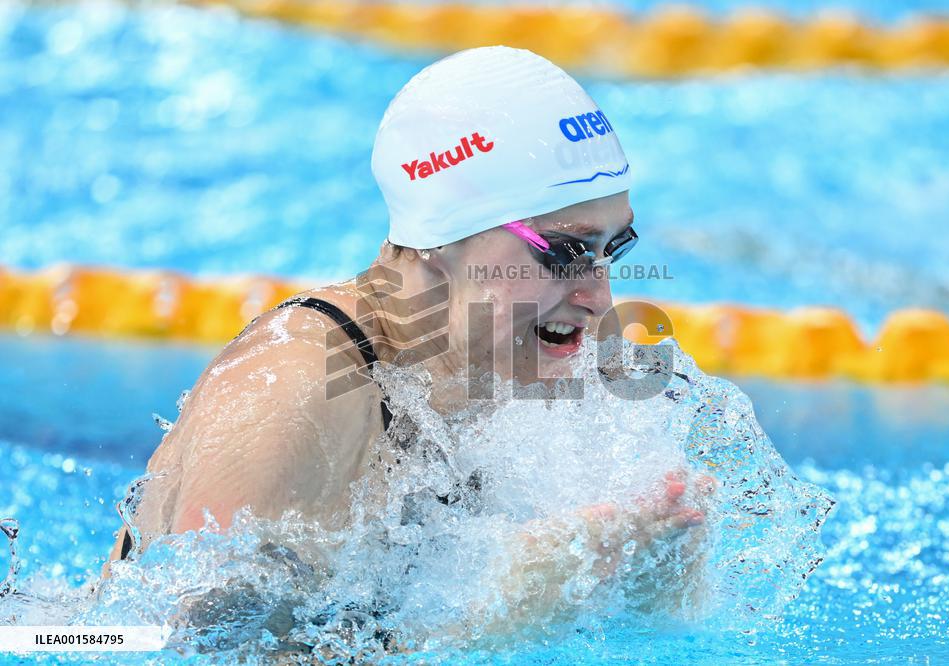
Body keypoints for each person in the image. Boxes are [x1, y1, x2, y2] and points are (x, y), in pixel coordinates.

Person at [101, 46, 711, 633]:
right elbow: (185, 650)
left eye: (613, 249)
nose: (600, 297)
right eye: (567, 252)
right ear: (440, 239)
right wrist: (495, 630)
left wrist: (649, 593)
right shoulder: (292, 393)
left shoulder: (506, 372)